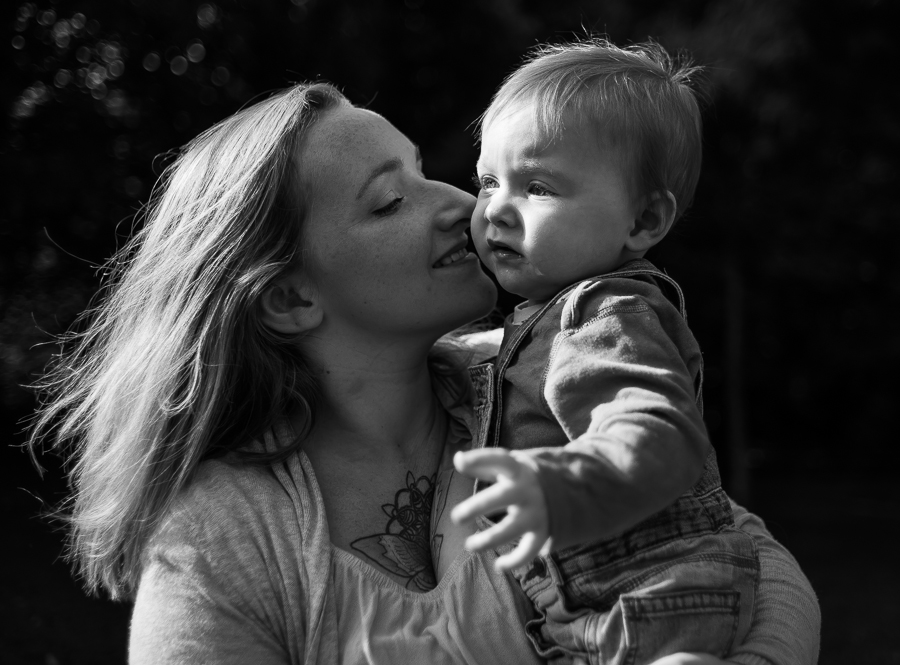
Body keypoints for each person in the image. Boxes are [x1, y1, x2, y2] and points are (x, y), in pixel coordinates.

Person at [29, 81, 819, 664]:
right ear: (292, 297)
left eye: (424, 170)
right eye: (388, 201)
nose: (454, 203)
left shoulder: (522, 374)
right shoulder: (220, 536)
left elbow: (754, 560)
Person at [451, 39, 777, 664]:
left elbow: (658, 430)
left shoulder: (604, 312)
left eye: (538, 186)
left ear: (643, 222)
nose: (496, 208)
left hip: (650, 586)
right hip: (595, 603)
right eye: (488, 181)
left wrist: (561, 487)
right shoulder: (552, 314)